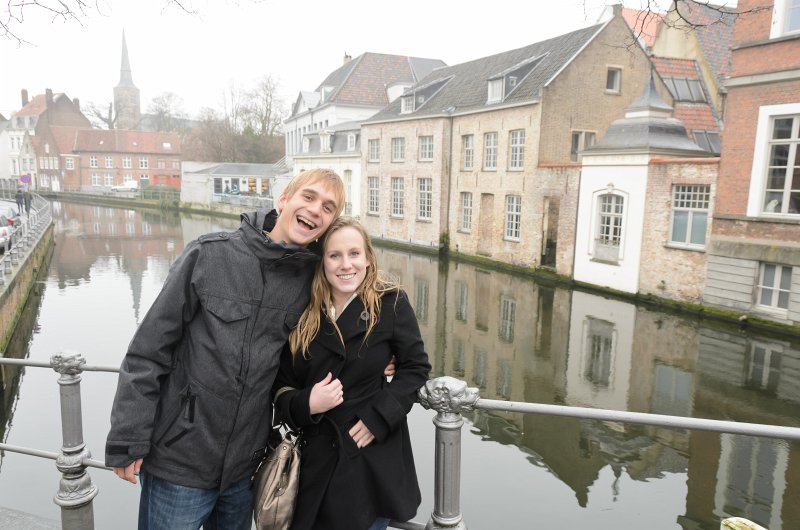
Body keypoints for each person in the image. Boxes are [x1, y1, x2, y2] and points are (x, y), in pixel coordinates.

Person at [105, 168, 346, 530]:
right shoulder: (209, 255)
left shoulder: (312, 281)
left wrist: (384, 354)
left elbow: (357, 293)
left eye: (328, 207)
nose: (316, 210)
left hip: (243, 472)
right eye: (308, 197)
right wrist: (128, 437)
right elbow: (148, 351)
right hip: (179, 461)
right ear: (283, 200)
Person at [272, 217, 431, 530]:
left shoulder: (391, 303)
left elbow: (416, 368)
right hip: (316, 462)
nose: (346, 265)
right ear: (323, 262)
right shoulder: (302, 310)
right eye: (335, 255)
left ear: (368, 259)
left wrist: (378, 419)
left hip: (369, 460)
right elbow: (281, 386)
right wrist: (308, 404)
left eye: (354, 254)